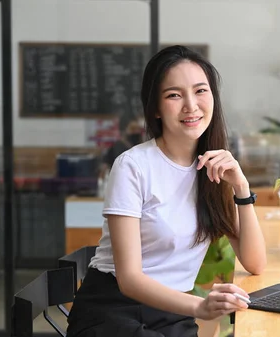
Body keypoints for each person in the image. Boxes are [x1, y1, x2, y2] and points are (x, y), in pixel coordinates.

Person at [66, 45, 267, 337]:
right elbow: (130, 280)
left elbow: (255, 262)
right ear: (156, 109)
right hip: (112, 312)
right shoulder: (133, 166)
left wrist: (241, 187)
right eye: (174, 95)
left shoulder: (214, 169)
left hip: (172, 315)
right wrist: (199, 306)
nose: (191, 105)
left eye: (200, 91)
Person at [99, 112, 144, 179]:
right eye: (133, 129)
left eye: (138, 129)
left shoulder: (144, 149)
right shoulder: (116, 147)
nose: (137, 132)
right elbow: (104, 169)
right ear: (124, 130)